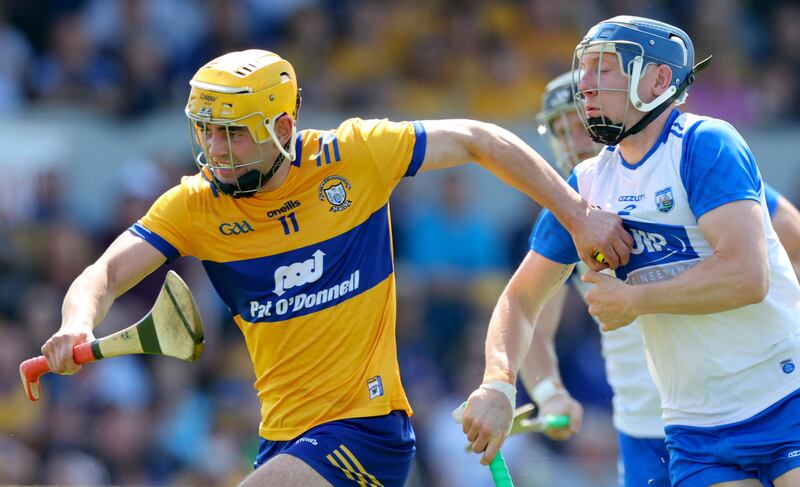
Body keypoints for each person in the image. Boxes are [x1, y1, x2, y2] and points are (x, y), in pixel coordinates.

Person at [38, 49, 631, 487]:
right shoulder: (193, 208)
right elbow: (107, 273)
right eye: (206, 131)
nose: (215, 149)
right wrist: (76, 322)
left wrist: (577, 214)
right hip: (281, 440)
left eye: (234, 134)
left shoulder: (354, 156)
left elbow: (478, 138)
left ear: (284, 128)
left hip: (366, 430)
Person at [460, 16, 800, 487]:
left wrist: (635, 300)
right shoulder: (585, 189)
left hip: (785, 395)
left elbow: (747, 276)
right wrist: (498, 383)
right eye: (585, 68)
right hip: (693, 426)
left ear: (659, 79)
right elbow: (520, 301)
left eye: (605, 68)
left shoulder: (706, 144)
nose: (586, 84)